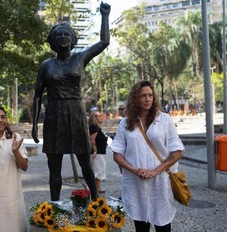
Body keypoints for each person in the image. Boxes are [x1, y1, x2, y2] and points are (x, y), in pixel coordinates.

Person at [31, 2, 110, 201]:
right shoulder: (46, 65)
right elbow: (38, 95)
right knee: (54, 166)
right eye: (59, 35)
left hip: (76, 112)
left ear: (73, 39)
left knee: (85, 161)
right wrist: (34, 125)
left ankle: (95, 203)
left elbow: (104, 42)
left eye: (67, 34)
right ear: (53, 41)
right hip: (54, 113)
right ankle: (55, 206)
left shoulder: (80, 58)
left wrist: (105, 16)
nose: (63, 38)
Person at [110, 80, 184, 232]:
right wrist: (134, 169)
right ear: (135, 98)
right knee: (141, 227)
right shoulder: (125, 123)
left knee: (163, 225)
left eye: (150, 95)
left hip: (161, 182)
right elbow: (117, 154)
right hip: (135, 183)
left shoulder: (164, 120)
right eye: (143, 95)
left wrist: (155, 171)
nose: (148, 99)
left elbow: (177, 151)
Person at [89, 111, 108, 193]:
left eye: (100, 115)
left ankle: (97, 187)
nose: (99, 117)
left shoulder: (97, 127)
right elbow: (92, 140)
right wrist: (95, 150)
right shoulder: (93, 127)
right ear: (93, 118)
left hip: (99, 152)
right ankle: (90, 186)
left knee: (100, 169)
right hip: (96, 152)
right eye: (97, 116)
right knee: (99, 169)